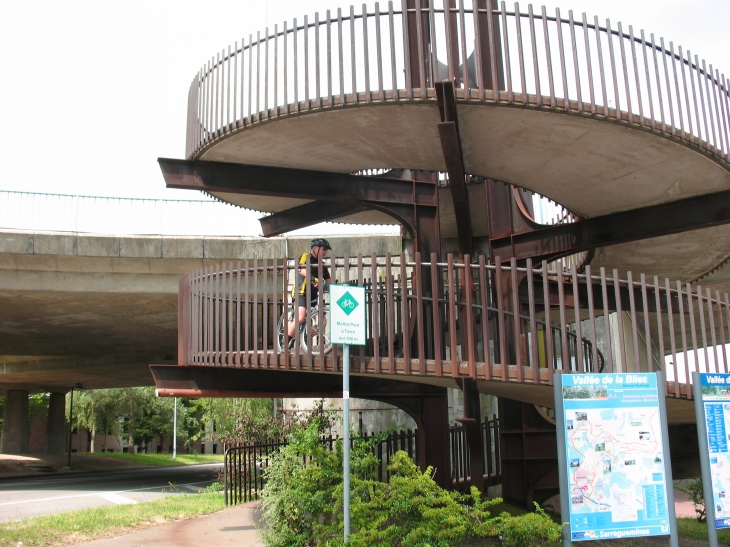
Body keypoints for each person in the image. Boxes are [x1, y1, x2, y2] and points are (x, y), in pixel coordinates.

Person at [287, 238, 332, 338]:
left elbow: (329, 281)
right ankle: (284, 343)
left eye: (326, 250)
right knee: (300, 318)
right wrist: (314, 279)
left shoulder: (323, 265)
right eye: (323, 249)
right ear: (315, 248)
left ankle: (305, 338)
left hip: (314, 296)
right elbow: (301, 270)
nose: (325, 252)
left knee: (322, 322)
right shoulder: (305, 256)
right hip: (301, 292)